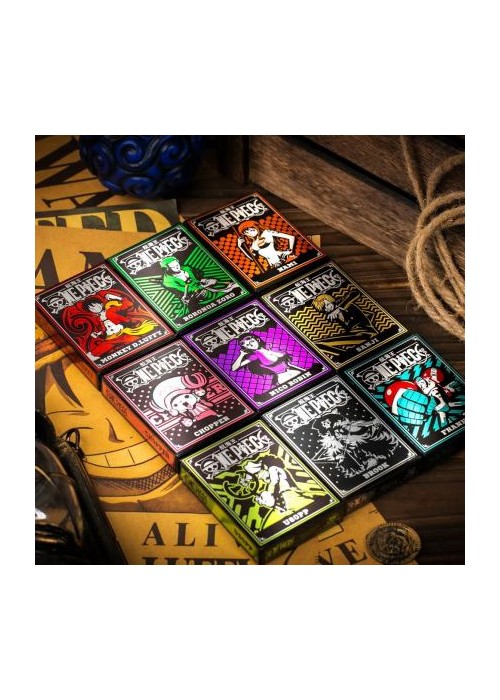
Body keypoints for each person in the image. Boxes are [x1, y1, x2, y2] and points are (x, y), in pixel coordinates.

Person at [160, 255, 238, 307]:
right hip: (194, 297)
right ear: (167, 269)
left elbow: (197, 278)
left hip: (203, 287)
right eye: (173, 267)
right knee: (224, 291)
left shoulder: (186, 268)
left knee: (230, 287)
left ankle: (231, 288)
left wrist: (204, 280)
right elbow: (187, 290)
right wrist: (205, 285)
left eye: (177, 264)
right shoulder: (168, 282)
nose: (178, 267)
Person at [231, 333, 306, 386]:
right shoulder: (254, 356)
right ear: (246, 348)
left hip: (294, 371)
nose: (251, 344)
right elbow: (234, 368)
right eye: (248, 345)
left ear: (257, 340)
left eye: (252, 341)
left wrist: (303, 371)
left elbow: (284, 357)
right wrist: (241, 355)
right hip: (283, 377)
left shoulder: (270, 346)